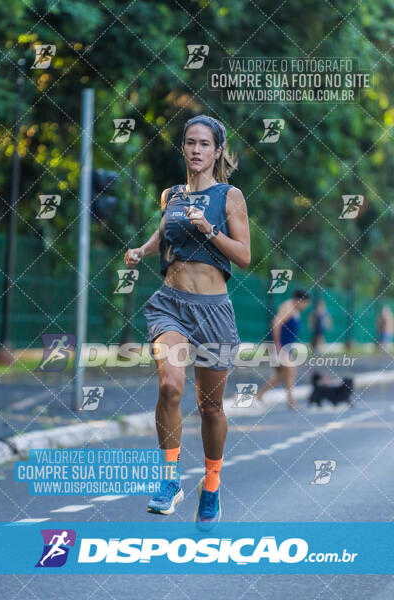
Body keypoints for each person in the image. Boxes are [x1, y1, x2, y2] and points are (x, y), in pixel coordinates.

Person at [124, 115, 250, 530]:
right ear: (184, 148)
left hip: (213, 311)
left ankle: (211, 484)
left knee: (211, 408)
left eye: (204, 144)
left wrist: (210, 230)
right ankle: (170, 479)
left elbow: (244, 256)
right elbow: (164, 233)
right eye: (190, 143)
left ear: (217, 151)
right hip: (171, 305)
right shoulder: (171, 195)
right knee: (169, 385)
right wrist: (142, 251)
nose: (196, 150)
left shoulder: (230, 197)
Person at [256, 289, 311, 410]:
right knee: (290, 372)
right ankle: (291, 402)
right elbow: (276, 323)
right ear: (300, 300)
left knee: (281, 374)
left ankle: (259, 395)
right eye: (305, 303)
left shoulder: (294, 309)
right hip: (281, 346)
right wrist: (277, 344)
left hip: (286, 346)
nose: (306, 306)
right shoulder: (289, 307)